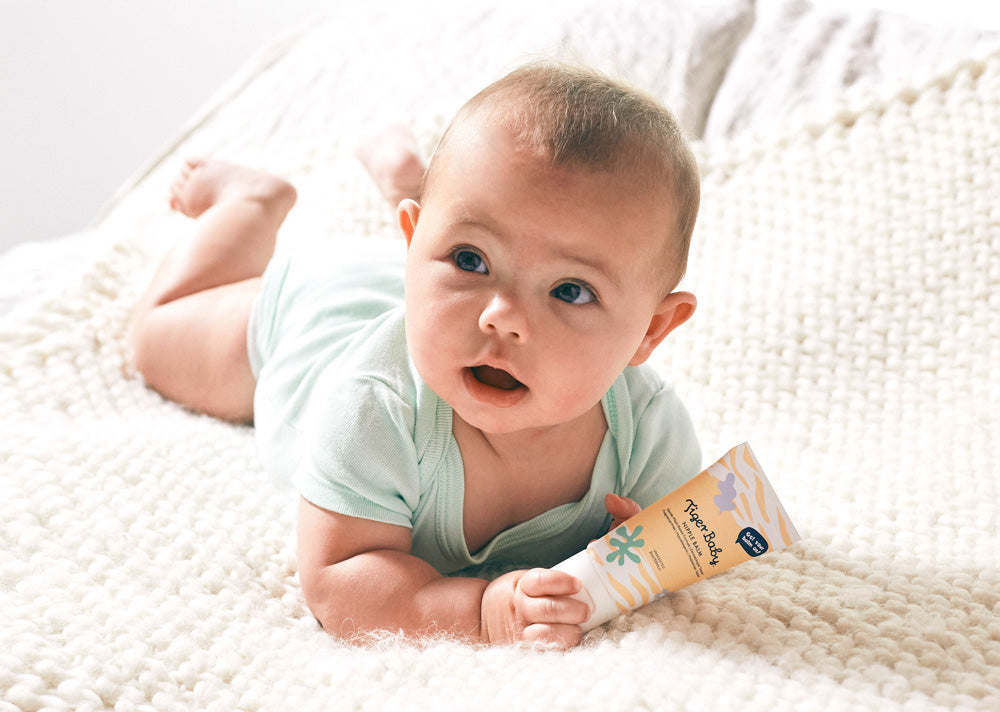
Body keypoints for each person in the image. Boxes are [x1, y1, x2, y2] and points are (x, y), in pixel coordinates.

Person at [132, 60, 702, 648]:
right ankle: (250, 203)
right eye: (470, 257)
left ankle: (421, 196)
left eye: (570, 291)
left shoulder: (648, 434)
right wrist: (483, 612)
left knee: (494, 227)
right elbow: (339, 582)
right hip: (319, 319)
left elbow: (686, 543)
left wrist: (642, 565)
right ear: (415, 245)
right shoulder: (374, 407)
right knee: (157, 337)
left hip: (428, 300)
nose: (501, 317)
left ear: (650, 330)